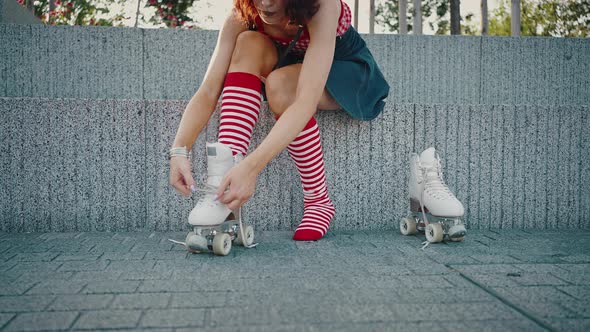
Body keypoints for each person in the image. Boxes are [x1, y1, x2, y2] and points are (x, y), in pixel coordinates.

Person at [169, 0, 389, 241]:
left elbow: (305, 102)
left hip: (347, 72)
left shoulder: (322, 6)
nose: (265, 2)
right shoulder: (243, 12)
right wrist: (179, 151)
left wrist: (251, 168)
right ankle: (224, 179)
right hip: (290, 67)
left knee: (280, 85)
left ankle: (318, 200)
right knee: (248, 42)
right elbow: (209, 89)